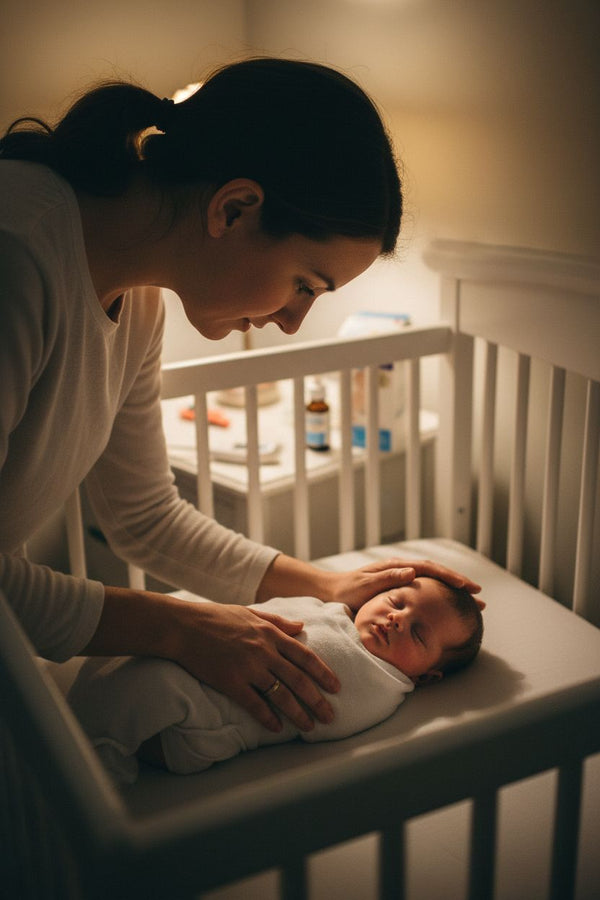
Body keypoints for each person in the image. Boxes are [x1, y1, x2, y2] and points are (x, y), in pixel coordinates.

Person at [0, 57, 481, 738]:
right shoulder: (17, 253)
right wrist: (182, 627)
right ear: (234, 208)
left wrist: (328, 587)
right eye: (305, 286)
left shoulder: (137, 305)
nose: (292, 321)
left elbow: (144, 517)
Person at [68, 576, 485, 782]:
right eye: (396, 601)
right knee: (131, 644)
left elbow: (326, 719)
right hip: (206, 658)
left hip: (205, 718)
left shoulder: (383, 686)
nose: (397, 620)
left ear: (428, 676)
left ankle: (89, 773)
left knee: (151, 686)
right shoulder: (339, 612)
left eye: (418, 633)